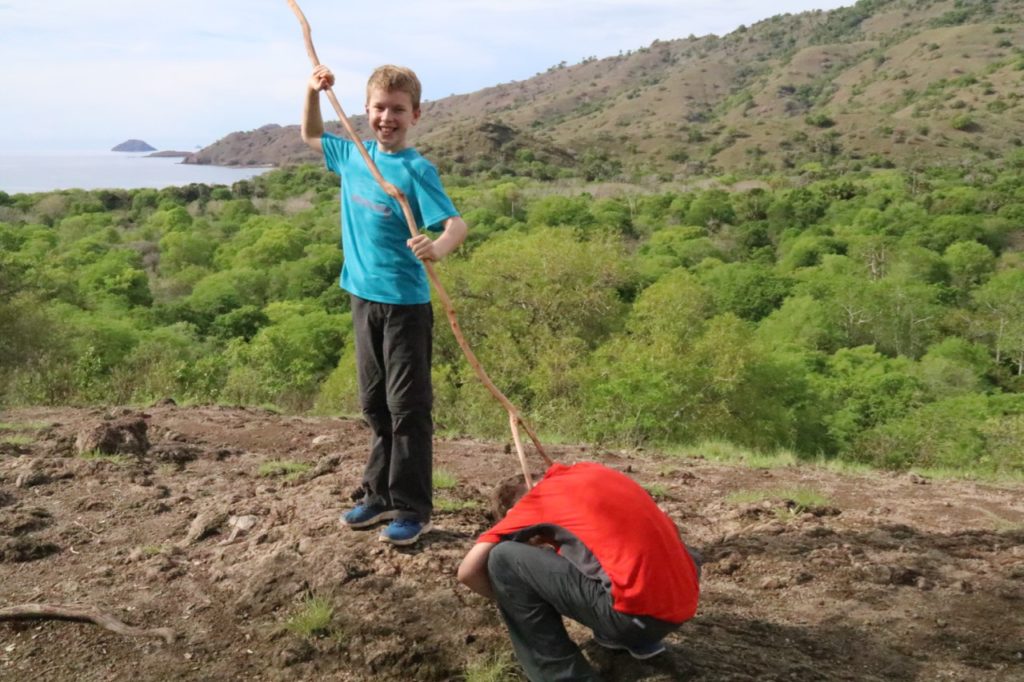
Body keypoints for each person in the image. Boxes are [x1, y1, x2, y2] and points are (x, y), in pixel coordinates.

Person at [301, 63, 468, 546]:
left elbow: (456, 224)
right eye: (379, 108)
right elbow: (311, 133)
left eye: (398, 110)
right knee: (374, 403)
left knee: (407, 407)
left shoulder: (416, 169)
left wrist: (437, 247)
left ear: (415, 114)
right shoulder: (354, 155)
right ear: (367, 110)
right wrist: (312, 91)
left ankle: (413, 508)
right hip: (362, 296)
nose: (386, 118)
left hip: (405, 305)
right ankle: (377, 495)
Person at [457, 462, 701, 681]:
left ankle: (563, 676)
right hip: (680, 606)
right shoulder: (591, 471)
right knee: (590, 549)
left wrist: (522, 601)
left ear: (512, 513)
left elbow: (467, 572)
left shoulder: (534, 503)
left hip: (635, 617)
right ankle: (632, 640)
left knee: (504, 558)